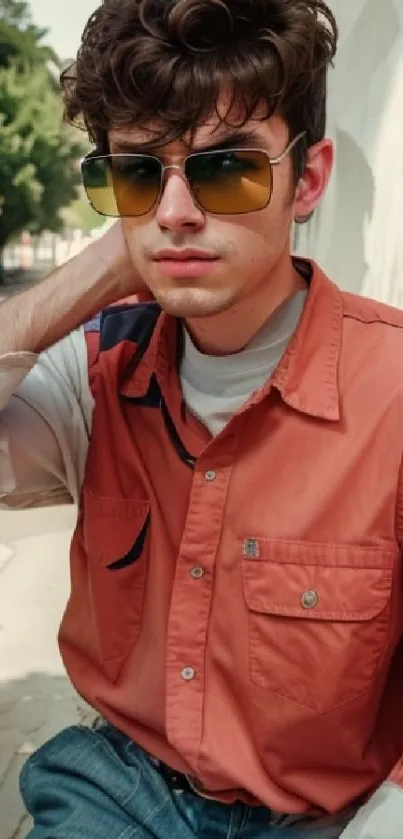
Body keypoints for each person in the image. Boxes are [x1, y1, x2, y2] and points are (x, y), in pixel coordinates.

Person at [1, 0, 403, 836]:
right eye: (138, 173)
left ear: (310, 178)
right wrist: (100, 269)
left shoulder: (391, 390)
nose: (178, 210)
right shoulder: (98, 369)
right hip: (116, 791)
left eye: (225, 170)